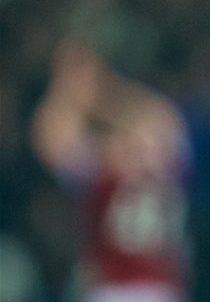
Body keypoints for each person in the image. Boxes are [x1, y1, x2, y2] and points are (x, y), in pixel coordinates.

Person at [31, 39, 190, 302]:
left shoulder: (101, 164)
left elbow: (48, 138)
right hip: (167, 288)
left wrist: (69, 90)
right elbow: (164, 120)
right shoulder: (166, 149)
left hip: (113, 289)